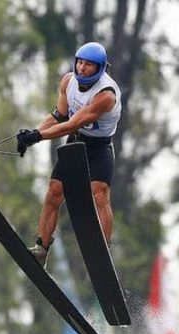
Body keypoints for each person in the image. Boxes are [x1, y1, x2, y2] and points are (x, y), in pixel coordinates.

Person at [16, 41, 122, 268]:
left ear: (100, 68)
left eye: (88, 65)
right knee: (54, 191)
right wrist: (32, 133)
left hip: (99, 148)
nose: (82, 68)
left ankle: (103, 253)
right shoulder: (67, 81)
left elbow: (72, 124)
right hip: (76, 142)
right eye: (80, 62)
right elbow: (59, 117)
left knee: (99, 193)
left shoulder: (106, 95)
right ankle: (41, 249)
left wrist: (37, 136)